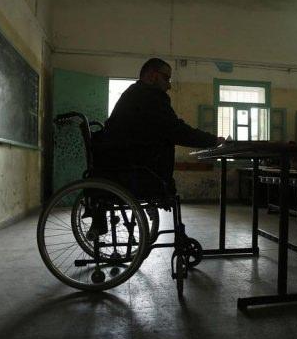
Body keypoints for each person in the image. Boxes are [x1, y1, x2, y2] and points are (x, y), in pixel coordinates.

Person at [91, 58, 222, 235]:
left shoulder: (135, 93)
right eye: (166, 78)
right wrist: (212, 140)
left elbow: (165, 130)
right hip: (133, 171)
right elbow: (175, 130)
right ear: (153, 76)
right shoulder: (149, 97)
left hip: (122, 165)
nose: (169, 85)